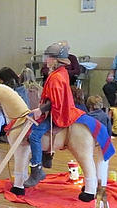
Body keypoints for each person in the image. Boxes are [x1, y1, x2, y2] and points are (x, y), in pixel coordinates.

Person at [23, 42, 85, 188]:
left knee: (35, 135)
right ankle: (46, 155)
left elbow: (55, 101)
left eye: (50, 57)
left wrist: (40, 110)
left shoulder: (57, 77)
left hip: (59, 113)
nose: (47, 60)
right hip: (60, 109)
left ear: (56, 60)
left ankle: (37, 168)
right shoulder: (59, 73)